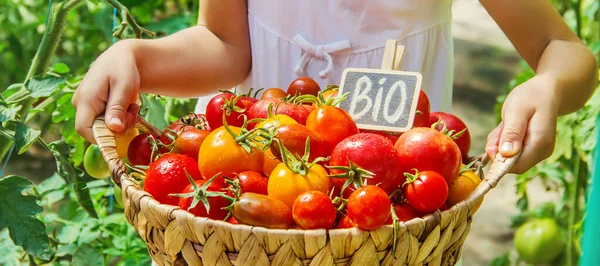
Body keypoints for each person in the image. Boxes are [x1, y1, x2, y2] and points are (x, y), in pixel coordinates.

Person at [73, 0, 598, 175]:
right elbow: (224, 45)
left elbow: (566, 48)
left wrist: (548, 85)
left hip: (388, 203)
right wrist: (136, 56)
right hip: (255, 186)